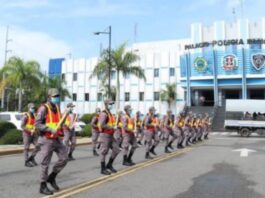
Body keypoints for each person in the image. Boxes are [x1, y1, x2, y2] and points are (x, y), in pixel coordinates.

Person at [35, 88, 69, 195]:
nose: (57, 98)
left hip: (56, 138)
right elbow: (37, 124)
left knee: (64, 158)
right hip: (46, 139)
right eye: (54, 96)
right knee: (45, 163)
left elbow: (59, 122)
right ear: (49, 97)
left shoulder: (57, 108)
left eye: (58, 96)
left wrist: (66, 114)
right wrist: (50, 129)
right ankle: (42, 185)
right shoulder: (43, 108)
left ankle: (51, 177)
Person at [98, 99, 120, 175]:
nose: (111, 105)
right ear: (106, 104)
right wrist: (112, 127)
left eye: (112, 104)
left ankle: (109, 165)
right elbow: (102, 125)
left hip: (111, 135)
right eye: (110, 104)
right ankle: (103, 168)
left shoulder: (110, 113)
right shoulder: (104, 114)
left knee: (116, 149)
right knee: (104, 152)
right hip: (105, 135)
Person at [21, 103, 40, 167]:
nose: (33, 109)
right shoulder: (26, 116)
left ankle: (32, 158)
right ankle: (26, 161)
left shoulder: (35, 116)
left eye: (34, 108)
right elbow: (22, 126)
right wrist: (29, 130)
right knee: (26, 148)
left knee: (38, 146)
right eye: (32, 108)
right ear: (29, 108)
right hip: (27, 134)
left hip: (34, 134)